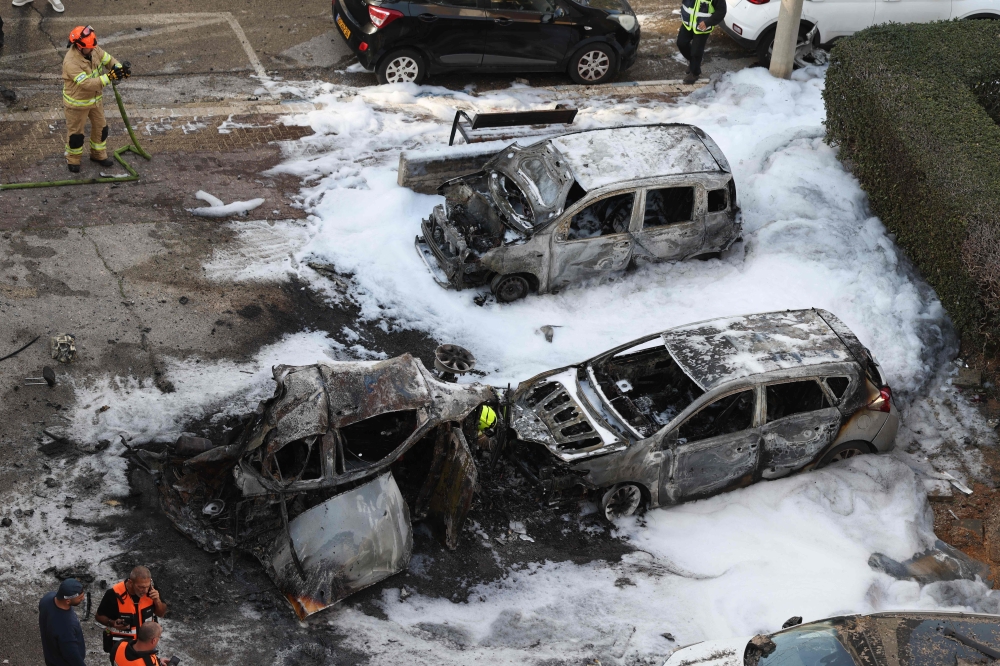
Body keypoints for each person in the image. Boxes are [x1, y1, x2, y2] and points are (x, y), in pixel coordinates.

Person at [61, 25, 129, 173]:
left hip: (95, 100)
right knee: (76, 135)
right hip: (77, 104)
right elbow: (86, 84)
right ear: (79, 47)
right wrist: (110, 77)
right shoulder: (71, 62)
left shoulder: (93, 48)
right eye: (89, 48)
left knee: (101, 128)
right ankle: (73, 159)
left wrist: (119, 70)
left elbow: (109, 60)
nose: (93, 50)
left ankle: (98, 154)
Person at [96, 566, 168, 662]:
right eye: (141, 587)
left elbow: (161, 613)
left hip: (145, 646)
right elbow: (99, 616)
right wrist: (112, 623)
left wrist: (157, 600)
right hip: (122, 648)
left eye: (147, 586)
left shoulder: (152, 590)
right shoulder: (113, 594)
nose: (145, 590)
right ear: (130, 583)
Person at [38, 578, 87, 666]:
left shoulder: (47, 599)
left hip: (51, 656)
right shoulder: (66, 626)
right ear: (68, 601)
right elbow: (72, 655)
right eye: (80, 597)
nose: (83, 599)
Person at [677, 0, 727, 84]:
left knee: (696, 52)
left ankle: (695, 73)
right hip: (687, 24)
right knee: (681, 43)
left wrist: (708, 22)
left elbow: (721, 11)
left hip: (702, 27)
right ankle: (693, 63)